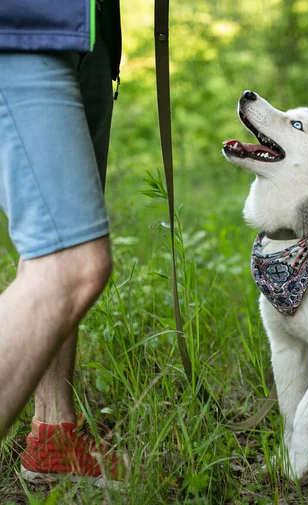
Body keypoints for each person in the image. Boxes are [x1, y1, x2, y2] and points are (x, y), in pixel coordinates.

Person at [0, 0, 127, 483]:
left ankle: (53, 436)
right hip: (21, 25)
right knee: (70, 265)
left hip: (87, 30)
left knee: (52, 249)